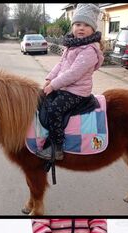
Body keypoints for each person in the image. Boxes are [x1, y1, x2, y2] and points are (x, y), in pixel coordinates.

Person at [36, 3, 104, 162]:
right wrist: (49, 79)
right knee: (42, 100)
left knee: (54, 109)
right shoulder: (72, 46)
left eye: (86, 25)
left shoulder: (89, 50)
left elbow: (73, 74)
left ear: (93, 29)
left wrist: (53, 85)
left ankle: (56, 147)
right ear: (72, 26)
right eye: (78, 24)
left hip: (77, 92)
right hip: (65, 88)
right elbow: (60, 65)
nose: (81, 28)